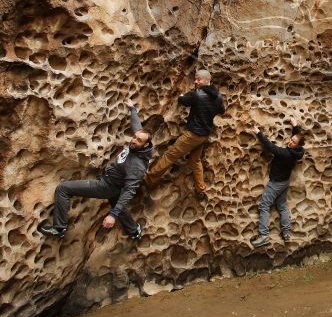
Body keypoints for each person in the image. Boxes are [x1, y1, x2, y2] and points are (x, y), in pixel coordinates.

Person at [38, 103, 153, 240]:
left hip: (105, 186)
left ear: (145, 145)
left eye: (138, 140)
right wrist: (133, 110)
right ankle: (134, 231)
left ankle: (58, 228)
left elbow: (129, 191)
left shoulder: (137, 165)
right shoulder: (139, 145)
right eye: (134, 137)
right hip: (113, 183)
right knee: (118, 206)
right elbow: (137, 127)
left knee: (63, 189)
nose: (133, 140)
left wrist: (112, 215)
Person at [144, 69, 225, 199]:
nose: (196, 81)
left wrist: (181, 96)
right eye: (195, 78)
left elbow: (183, 101)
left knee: (170, 155)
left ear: (206, 80)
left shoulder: (197, 94)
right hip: (204, 135)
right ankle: (201, 190)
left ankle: (148, 179)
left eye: (198, 79)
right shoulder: (218, 96)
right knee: (195, 160)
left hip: (193, 134)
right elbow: (222, 111)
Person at [250, 122, 305, 247]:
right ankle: (286, 234)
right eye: (291, 140)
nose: (290, 142)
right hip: (285, 182)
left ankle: (263, 236)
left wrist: (258, 132)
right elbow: (298, 138)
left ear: (297, 146)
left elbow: (270, 147)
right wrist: (295, 126)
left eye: (293, 142)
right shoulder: (299, 152)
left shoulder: (285, 153)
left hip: (276, 183)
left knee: (264, 206)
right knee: (282, 206)